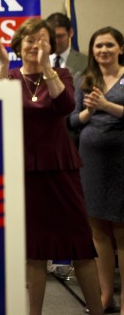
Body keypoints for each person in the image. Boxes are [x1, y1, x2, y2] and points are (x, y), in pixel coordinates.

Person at [0, 18, 103, 315]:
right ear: (18, 46)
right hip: (24, 171)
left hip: (60, 167)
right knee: (35, 250)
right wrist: (3, 66)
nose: (35, 45)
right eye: (29, 40)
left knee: (80, 242)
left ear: (51, 46)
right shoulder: (11, 76)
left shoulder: (62, 74)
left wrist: (47, 69)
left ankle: (96, 310)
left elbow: (66, 105)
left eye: (42, 40)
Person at [69, 26, 124, 314]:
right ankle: (105, 296)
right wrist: (91, 111)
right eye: (98, 46)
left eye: (109, 45)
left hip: (120, 163)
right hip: (91, 164)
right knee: (98, 231)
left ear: (121, 49)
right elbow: (73, 121)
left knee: (121, 231)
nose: (103, 50)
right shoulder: (85, 78)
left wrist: (106, 105)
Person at [46, 12, 88, 79]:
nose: (56, 41)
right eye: (52, 37)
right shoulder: (37, 61)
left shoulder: (86, 62)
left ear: (71, 33)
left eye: (60, 36)